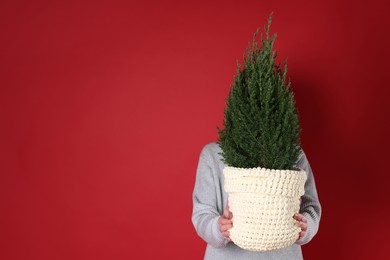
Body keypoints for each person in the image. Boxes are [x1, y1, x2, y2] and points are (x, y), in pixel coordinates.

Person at [192, 142, 321, 260]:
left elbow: (310, 206)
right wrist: (218, 228)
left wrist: (306, 227)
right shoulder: (212, 154)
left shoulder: (292, 152)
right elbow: (202, 214)